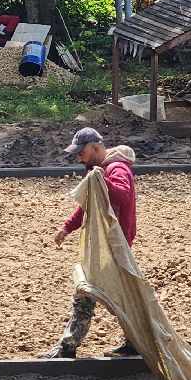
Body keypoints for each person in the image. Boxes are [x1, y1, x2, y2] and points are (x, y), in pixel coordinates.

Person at [43, 126, 139, 359]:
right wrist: (67, 227)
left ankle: (68, 347)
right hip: (105, 245)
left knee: (86, 293)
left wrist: (100, 179)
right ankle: (134, 342)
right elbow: (89, 203)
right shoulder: (101, 171)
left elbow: (122, 196)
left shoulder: (116, 169)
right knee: (118, 296)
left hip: (115, 246)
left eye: (81, 153)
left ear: (96, 148)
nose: (78, 158)